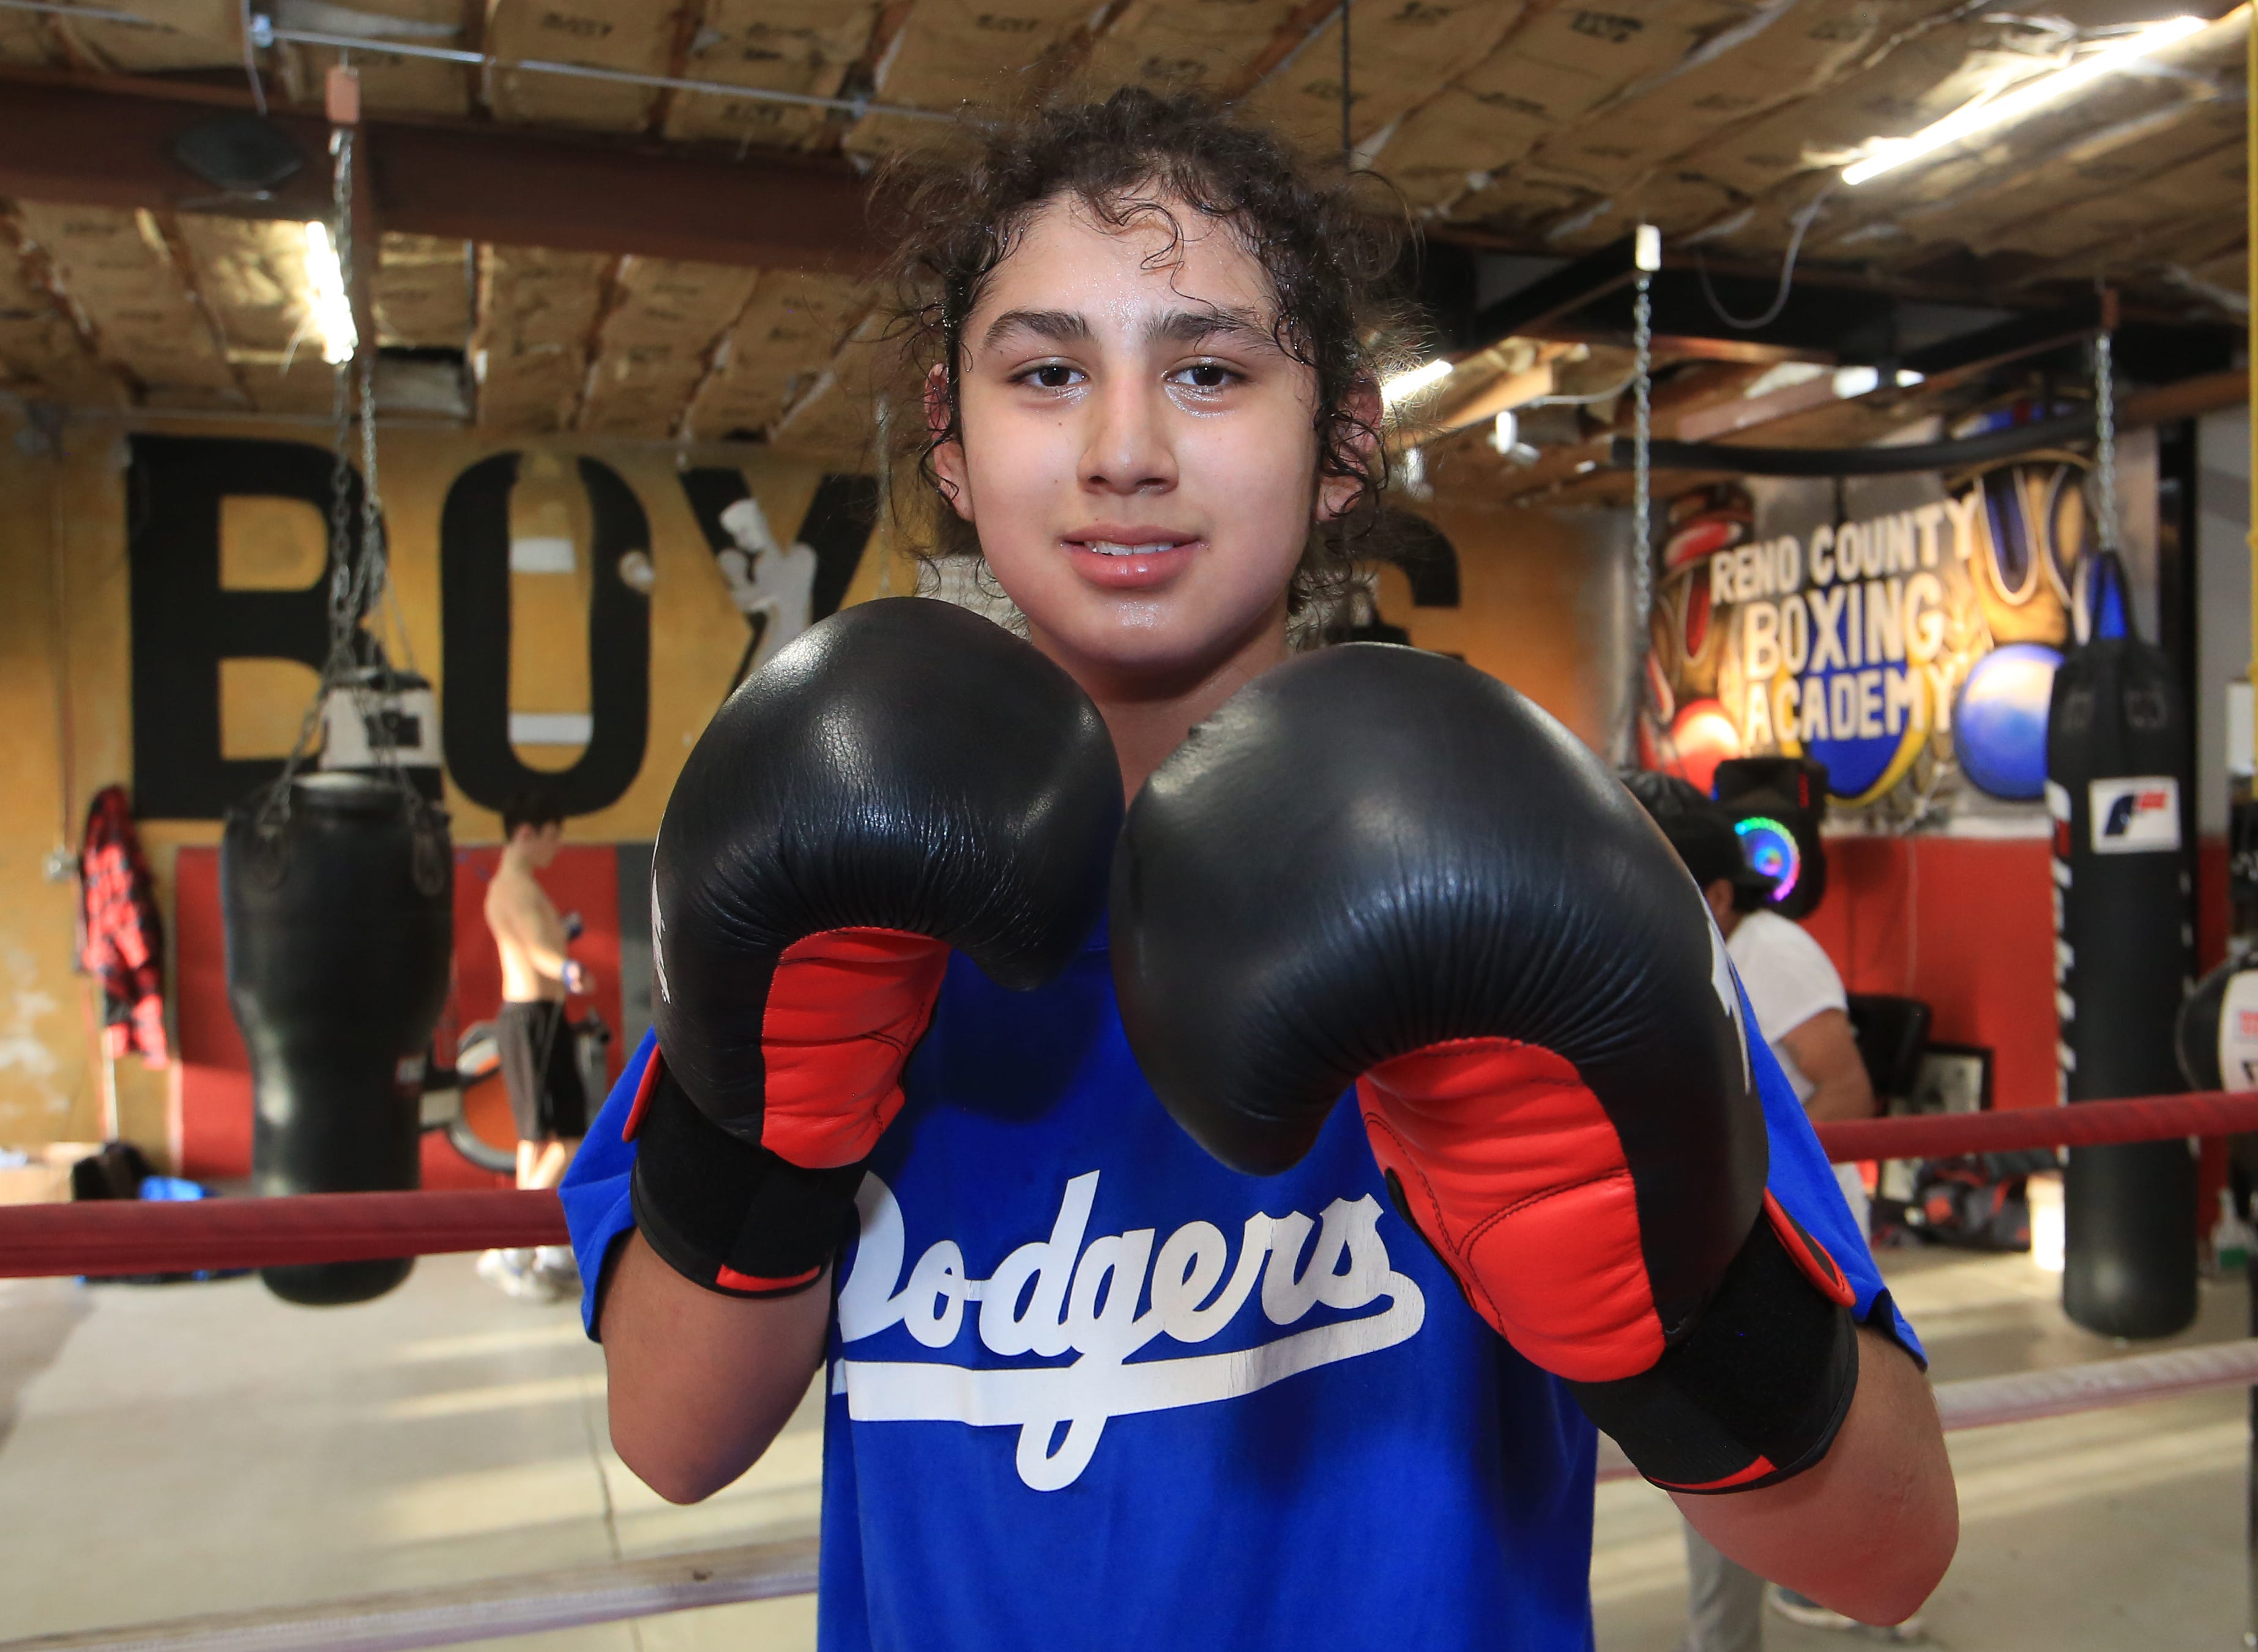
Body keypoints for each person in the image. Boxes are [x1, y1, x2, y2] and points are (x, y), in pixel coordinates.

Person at [560, 89, 1955, 1650]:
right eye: (1045, 373)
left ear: (1343, 439)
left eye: (1210, 369)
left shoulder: (1519, 876)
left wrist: (1662, 1323)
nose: (1124, 451)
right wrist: (783, 1115)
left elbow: (1884, 1552)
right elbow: (672, 1439)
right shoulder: (831, 869)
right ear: (950, 444)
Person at [1626, 773, 1908, 1650]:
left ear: (1716, 893)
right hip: (1720, 1233)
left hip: (1790, 1242)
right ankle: (1792, 1593)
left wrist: (1736, 1175)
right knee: (1731, 1448)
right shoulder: (1672, 947)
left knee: (1748, 1451)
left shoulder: (1772, 952)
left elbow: (1850, 1091)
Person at [480, 788, 589, 1301]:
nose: (556, 849)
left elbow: (540, 943)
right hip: (534, 1021)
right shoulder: (516, 890)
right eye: (552, 838)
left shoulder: (519, 887)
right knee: (566, 1141)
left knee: (534, 1141)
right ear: (527, 833)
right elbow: (536, 953)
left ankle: (534, 1244)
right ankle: (511, 1248)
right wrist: (567, 967)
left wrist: (566, 934)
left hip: (535, 1020)